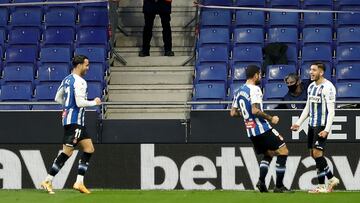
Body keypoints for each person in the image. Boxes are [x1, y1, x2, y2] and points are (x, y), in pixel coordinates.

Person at [40, 55, 102, 194]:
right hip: (75, 122)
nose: (88, 67)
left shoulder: (67, 79)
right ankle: (48, 180)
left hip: (71, 121)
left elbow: (57, 98)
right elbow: (80, 103)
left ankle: (79, 182)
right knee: (67, 153)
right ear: (79, 65)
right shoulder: (80, 82)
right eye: (86, 65)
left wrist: (67, 108)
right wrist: (95, 102)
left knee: (89, 148)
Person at [230, 65, 292, 193]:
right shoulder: (255, 89)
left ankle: (261, 182)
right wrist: (271, 118)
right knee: (283, 151)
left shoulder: (239, 91)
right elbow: (255, 110)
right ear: (255, 75)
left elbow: (233, 113)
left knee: (268, 154)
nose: (260, 77)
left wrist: (245, 114)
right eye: (259, 74)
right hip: (262, 128)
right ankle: (279, 186)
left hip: (251, 131)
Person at [291, 62, 340, 193]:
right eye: (310, 70)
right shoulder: (311, 86)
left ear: (321, 72)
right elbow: (308, 107)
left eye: (314, 70)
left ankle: (323, 185)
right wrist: (299, 123)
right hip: (311, 125)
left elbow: (331, 111)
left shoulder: (328, 87)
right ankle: (330, 179)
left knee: (317, 154)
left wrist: (326, 129)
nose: (311, 72)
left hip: (321, 124)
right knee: (313, 154)